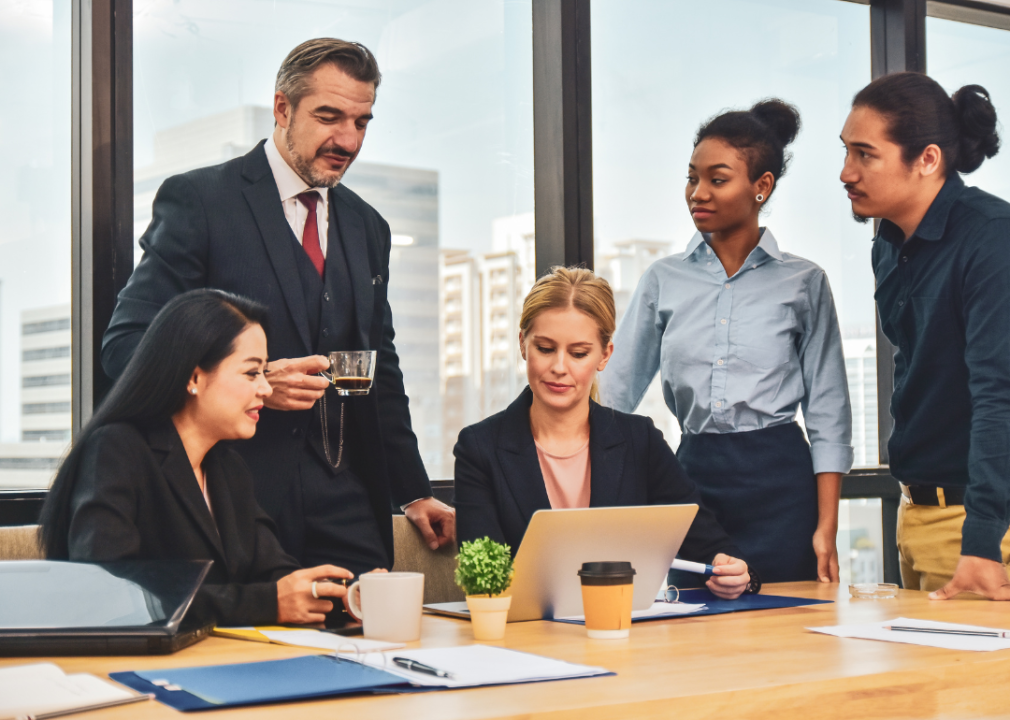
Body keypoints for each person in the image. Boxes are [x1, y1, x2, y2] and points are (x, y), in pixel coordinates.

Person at [100, 38, 453, 577]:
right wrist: (257, 380)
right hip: (233, 499)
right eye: (329, 116)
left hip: (349, 503)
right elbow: (126, 347)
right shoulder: (201, 202)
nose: (347, 140)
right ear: (282, 108)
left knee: (375, 648)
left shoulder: (368, 228)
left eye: (361, 122)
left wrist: (412, 491)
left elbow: (381, 368)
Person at [600, 100, 853, 585]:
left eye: (717, 179)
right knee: (694, 634)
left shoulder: (804, 282)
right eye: (692, 178)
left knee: (787, 634)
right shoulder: (663, 279)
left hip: (783, 485)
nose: (698, 192)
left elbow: (828, 412)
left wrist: (827, 526)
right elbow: (614, 393)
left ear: (762, 186)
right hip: (692, 480)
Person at [38, 290, 355, 626]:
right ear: (193, 377)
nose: (265, 389)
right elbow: (110, 589)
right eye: (252, 373)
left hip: (218, 661)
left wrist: (337, 595)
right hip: (131, 668)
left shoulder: (228, 468)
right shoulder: (116, 450)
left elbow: (273, 571)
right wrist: (265, 604)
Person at [454, 267, 755, 600]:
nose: (559, 367)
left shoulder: (640, 440)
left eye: (579, 353)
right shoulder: (479, 448)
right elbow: (482, 578)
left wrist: (730, 570)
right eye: (545, 348)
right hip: (524, 637)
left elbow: (709, 543)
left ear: (604, 355)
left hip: (622, 634)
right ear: (522, 345)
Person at [840, 72, 1010, 600]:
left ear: (928, 159)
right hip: (915, 516)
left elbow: (999, 397)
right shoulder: (887, 245)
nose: (846, 173)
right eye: (845, 152)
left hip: (980, 530)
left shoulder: (992, 238)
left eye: (865, 155)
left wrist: (981, 542)